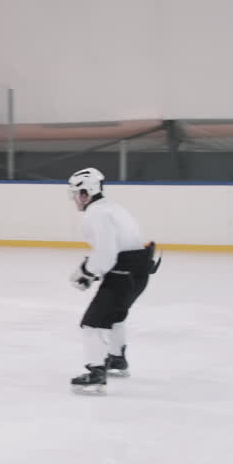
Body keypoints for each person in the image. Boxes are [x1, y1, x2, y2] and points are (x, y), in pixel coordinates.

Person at [66, 167, 157, 394]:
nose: (74, 199)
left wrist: (87, 272)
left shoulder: (96, 213)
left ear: (86, 192)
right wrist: (94, 269)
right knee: (116, 316)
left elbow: (107, 253)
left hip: (123, 273)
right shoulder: (113, 208)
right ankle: (116, 359)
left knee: (92, 323)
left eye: (76, 194)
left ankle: (96, 373)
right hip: (138, 271)